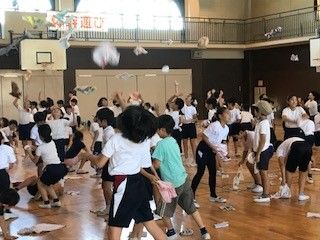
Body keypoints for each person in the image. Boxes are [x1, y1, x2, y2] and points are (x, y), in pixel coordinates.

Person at [86, 106, 166, 240]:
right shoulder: (143, 140)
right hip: (140, 184)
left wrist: (85, 156)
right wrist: (153, 176)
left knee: (114, 230)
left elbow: (99, 163)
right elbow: (145, 165)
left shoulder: (116, 139)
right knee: (151, 224)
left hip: (124, 185)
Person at [153, 114, 211, 240]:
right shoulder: (173, 140)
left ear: (162, 130)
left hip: (171, 185)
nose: (157, 132)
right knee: (191, 207)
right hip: (183, 180)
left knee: (163, 212)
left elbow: (156, 164)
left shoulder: (160, 144)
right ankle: (204, 231)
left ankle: (172, 234)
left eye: (157, 129)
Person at [191, 107, 229, 205]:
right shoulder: (214, 125)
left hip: (212, 151)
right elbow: (204, 136)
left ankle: (213, 195)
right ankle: (191, 196)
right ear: (220, 116)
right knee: (200, 172)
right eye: (227, 113)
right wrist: (213, 147)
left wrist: (222, 153)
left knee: (213, 172)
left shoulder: (226, 128)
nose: (229, 115)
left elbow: (222, 142)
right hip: (203, 150)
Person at [26, 124, 68, 209]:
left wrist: (29, 152)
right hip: (61, 168)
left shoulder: (40, 148)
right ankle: (56, 201)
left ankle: (46, 203)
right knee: (47, 184)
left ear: (40, 136)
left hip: (51, 169)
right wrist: (34, 148)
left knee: (40, 183)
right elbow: (43, 148)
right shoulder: (52, 142)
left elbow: (35, 161)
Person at [252, 101, 274, 203]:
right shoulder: (260, 122)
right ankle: (264, 193)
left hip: (263, 151)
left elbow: (263, 140)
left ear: (259, 111)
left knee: (264, 173)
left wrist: (258, 154)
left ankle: (266, 194)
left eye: (256, 110)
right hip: (261, 150)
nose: (254, 112)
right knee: (261, 172)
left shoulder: (264, 124)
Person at [181, 94, 198, 166]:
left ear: (191, 100)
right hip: (184, 126)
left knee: (193, 144)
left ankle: (195, 160)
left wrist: (192, 120)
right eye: (187, 96)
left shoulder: (193, 108)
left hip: (191, 126)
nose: (187, 97)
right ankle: (186, 159)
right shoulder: (182, 107)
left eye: (188, 97)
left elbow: (196, 119)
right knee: (185, 143)